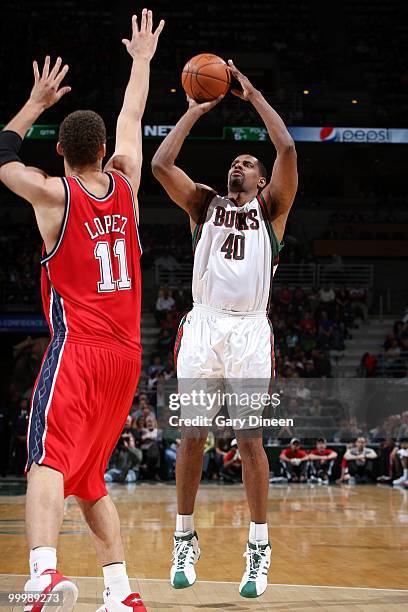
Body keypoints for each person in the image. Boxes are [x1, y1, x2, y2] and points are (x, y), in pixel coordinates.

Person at [0, 9, 164, 612]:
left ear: (64, 154)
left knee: (45, 458)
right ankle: (120, 592)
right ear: (102, 151)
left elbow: (2, 156)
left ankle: (43, 573)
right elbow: (133, 116)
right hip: (126, 358)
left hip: (80, 350)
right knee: (90, 477)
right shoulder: (127, 187)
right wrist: (141, 62)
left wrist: (34, 103)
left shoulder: (51, 194)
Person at [152, 59, 297, 598]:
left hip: (250, 332)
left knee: (249, 440)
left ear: (260, 180)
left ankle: (258, 549)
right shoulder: (203, 204)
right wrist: (193, 112)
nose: (239, 166)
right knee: (191, 437)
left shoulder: (273, 209)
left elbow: (287, 150)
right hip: (204, 325)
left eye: (247, 163)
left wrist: (254, 94)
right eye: (234, 161)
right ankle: (183, 537)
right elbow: (163, 164)